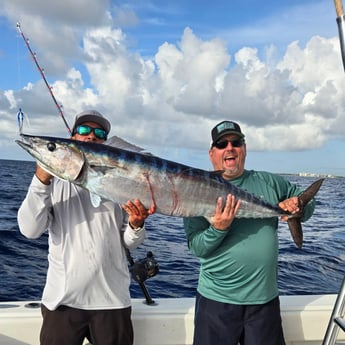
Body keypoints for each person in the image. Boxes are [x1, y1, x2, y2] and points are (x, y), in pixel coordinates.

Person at [17, 110, 155, 345]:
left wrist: (136, 224)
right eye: (83, 130)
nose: (91, 136)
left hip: (113, 301)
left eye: (99, 133)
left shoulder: (123, 183)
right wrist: (41, 178)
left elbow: (129, 242)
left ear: (106, 143)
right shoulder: (52, 183)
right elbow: (29, 230)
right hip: (62, 303)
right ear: (72, 138)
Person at [183, 120, 316, 345]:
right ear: (211, 153)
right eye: (222, 144)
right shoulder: (196, 188)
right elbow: (197, 247)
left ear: (244, 149)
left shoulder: (270, 182)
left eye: (236, 142)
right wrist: (218, 229)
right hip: (216, 303)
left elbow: (307, 206)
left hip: (264, 302)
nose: (229, 148)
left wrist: (298, 207)